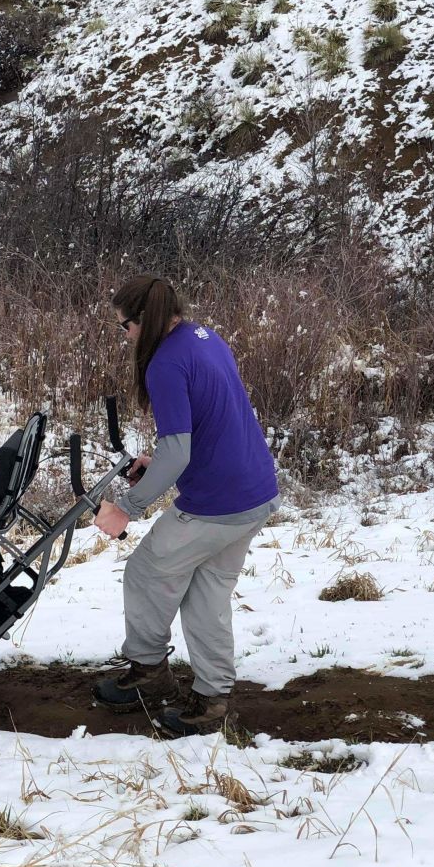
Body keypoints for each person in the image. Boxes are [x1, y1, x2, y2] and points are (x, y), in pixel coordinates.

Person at [91, 275, 279, 737]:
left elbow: (180, 451)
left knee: (143, 573)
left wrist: (127, 507)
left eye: (125, 327)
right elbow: (210, 424)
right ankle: (212, 698)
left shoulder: (165, 363)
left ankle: (150, 673)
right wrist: (159, 465)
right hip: (254, 490)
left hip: (217, 503)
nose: (126, 336)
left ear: (144, 319)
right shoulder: (204, 336)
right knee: (206, 594)